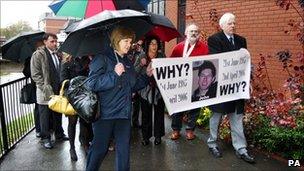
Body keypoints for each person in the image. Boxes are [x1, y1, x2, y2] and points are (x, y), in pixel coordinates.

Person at [85, 26, 153, 171]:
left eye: (130, 41)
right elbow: (92, 83)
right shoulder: (102, 58)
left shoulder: (127, 61)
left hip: (124, 114)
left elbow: (133, 85)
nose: (129, 45)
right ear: (116, 40)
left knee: (123, 152)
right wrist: (114, 75)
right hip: (105, 115)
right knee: (99, 149)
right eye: (126, 41)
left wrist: (146, 75)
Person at [207, 12, 255, 164]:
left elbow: (245, 65)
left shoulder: (242, 40)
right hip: (221, 87)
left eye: (234, 23)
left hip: (237, 88)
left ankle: (241, 148)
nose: (233, 25)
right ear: (222, 25)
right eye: (230, 23)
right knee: (216, 117)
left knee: (237, 117)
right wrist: (237, 55)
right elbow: (217, 61)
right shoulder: (214, 39)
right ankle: (212, 144)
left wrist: (249, 82)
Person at [169, 23, 209, 140]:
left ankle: (190, 130)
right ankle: (176, 130)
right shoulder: (178, 47)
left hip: (197, 82)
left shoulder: (204, 48)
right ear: (186, 34)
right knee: (178, 107)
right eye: (191, 31)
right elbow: (170, 64)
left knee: (195, 107)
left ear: (199, 34)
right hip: (181, 83)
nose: (194, 33)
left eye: (196, 31)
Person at [31, 33, 68, 149]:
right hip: (44, 91)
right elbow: (35, 74)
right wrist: (45, 87)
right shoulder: (38, 55)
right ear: (45, 42)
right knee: (45, 116)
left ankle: (59, 134)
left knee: (57, 113)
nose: (55, 43)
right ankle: (45, 138)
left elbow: (58, 70)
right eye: (52, 41)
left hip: (57, 89)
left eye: (56, 41)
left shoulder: (57, 54)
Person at [60, 54, 93, 161]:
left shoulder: (88, 60)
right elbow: (63, 80)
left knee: (84, 122)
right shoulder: (67, 63)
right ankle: (72, 148)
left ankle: (85, 144)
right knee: (72, 123)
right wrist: (75, 83)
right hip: (72, 97)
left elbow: (91, 78)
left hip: (84, 97)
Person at [137, 36, 166, 146]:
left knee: (159, 113)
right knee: (146, 114)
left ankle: (158, 136)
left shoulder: (162, 56)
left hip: (159, 89)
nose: (154, 46)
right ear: (147, 45)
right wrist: (141, 64)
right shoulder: (142, 56)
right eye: (152, 44)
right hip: (145, 90)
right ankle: (146, 137)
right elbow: (134, 71)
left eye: (156, 44)